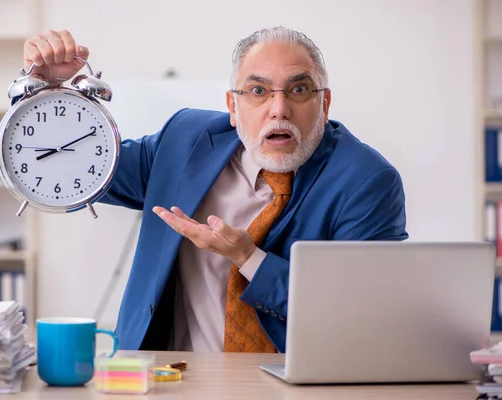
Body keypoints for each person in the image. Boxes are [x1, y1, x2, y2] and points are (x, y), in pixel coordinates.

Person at [22, 26, 408, 353]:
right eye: (258, 91)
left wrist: (248, 257)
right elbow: (70, 169)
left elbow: (358, 314)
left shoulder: (366, 182)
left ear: (324, 103)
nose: (278, 109)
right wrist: (51, 94)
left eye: (299, 89)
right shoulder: (185, 141)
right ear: (232, 106)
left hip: (291, 386)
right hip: (168, 380)